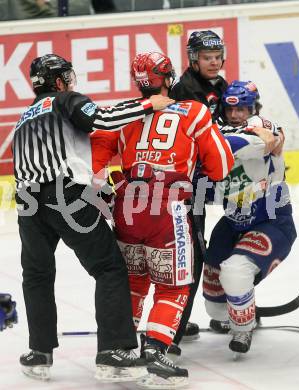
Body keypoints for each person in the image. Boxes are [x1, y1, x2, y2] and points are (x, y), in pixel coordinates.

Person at [12, 53, 174, 382]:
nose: (71, 82)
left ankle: (39, 352)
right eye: (67, 77)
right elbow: (101, 120)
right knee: (109, 267)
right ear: (58, 82)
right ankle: (113, 351)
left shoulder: (23, 117)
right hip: (64, 194)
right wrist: (149, 105)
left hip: (27, 203)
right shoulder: (65, 99)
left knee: (37, 276)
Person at [91, 51, 234, 388]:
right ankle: (155, 352)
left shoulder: (122, 113)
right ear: (168, 77)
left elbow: (95, 161)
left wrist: (113, 186)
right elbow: (222, 166)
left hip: (127, 206)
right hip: (168, 207)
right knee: (173, 286)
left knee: (134, 281)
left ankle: (118, 352)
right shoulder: (193, 111)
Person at [202, 80, 297, 354]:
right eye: (230, 110)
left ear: (253, 108)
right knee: (215, 305)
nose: (235, 115)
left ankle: (243, 330)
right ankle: (242, 309)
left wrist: (209, 142)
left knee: (235, 271)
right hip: (232, 222)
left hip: (271, 221)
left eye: (242, 109)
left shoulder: (262, 127)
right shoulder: (217, 129)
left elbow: (267, 142)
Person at [167, 29, 228, 353]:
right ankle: (173, 324)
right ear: (193, 59)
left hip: (203, 181)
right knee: (191, 253)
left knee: (207, 247)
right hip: (186, 184)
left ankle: (189, 317)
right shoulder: (187, 90)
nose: (214, 62)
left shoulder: (216, 84)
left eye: (217, 56)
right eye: (207, 58)